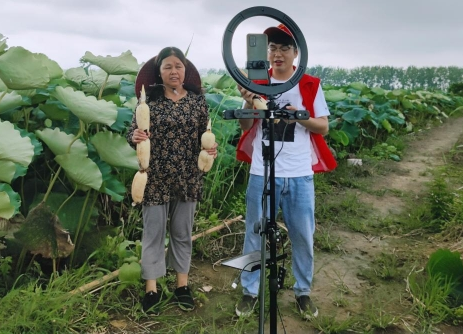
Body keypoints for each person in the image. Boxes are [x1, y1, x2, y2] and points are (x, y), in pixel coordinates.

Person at [233, 24, 337, 320]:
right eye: (272, 48)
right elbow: (245, 127)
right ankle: (249, 291)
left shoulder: (309, 84)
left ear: (296, 53)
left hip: (299, 172)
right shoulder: (258, 83)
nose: (277, 54)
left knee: (303, 234)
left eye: (284, 48)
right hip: (261, 172)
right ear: (267, 53)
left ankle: (302, 292)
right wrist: (246, 98)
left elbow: (323, 126)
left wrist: (298, 117)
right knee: (254, 231)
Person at [127, 46, 217, 315]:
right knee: (153, 234)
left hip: (188, 176)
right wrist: (134, 137)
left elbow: (206, 135)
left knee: (181, 233)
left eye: (178, 66)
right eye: (167, 66)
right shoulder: (148, 102)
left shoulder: (197, 101)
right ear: (159, 72)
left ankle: (182, 286)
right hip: (154, 177)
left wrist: (211, 150)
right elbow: (132, 131)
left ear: (185, 70)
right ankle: (151, 289)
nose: (174, 71)